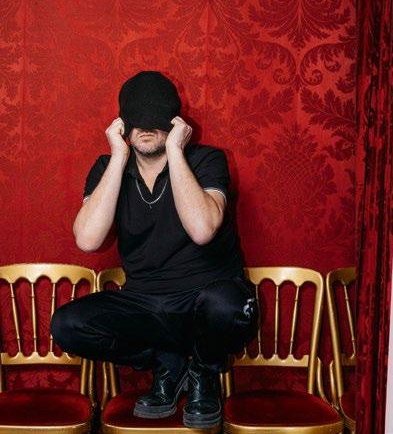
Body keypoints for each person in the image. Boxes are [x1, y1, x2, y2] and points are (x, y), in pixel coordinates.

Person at [51, 71, 258, 429]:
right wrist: (118, 157)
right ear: (122, 124)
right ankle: (171, 362)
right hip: (146, 303)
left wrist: (176, 152)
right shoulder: (108, 168)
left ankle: (202, 371)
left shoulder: (207, 160)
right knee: (67, 325)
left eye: (156, 120)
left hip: (205, 300)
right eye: (137, 120)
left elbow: (202, 229)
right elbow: (87, 240)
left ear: (175, 123)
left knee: (225, 306)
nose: (146, 128)